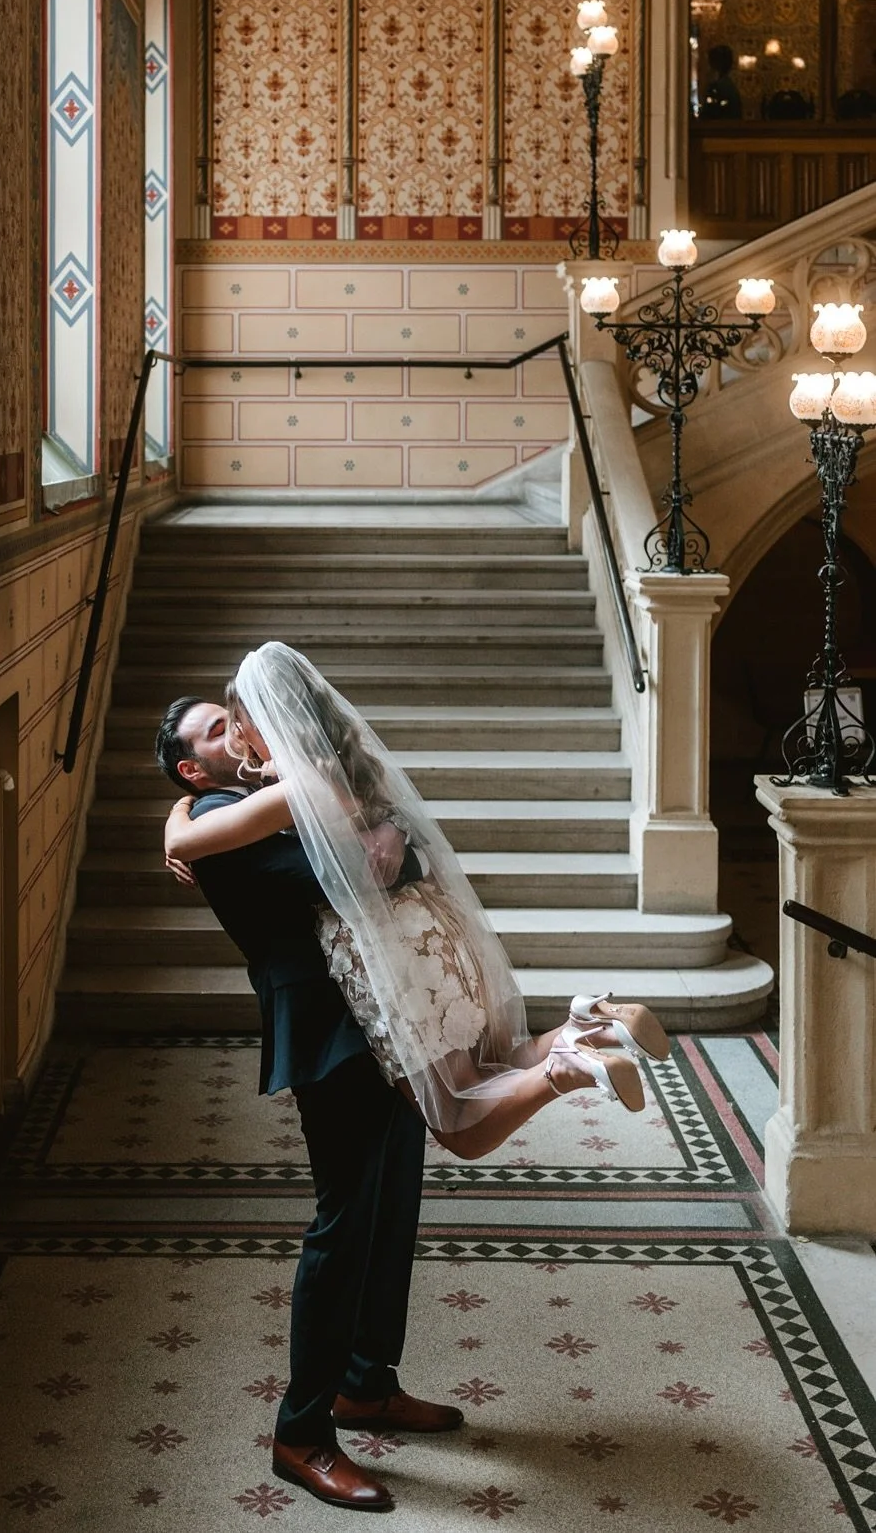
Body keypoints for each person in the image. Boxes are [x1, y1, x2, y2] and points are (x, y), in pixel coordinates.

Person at [162, 643, 669, 1156]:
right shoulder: (341, 763)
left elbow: (184, 843)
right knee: (497, 1062)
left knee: (458, 1122)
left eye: (240, 723)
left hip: (387, 950)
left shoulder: (296, 787)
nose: (240, 738)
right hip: (434, 925)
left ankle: (567, 1068)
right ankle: (589, 1022)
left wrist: (179, 810)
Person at [155, 693, 458, 1514]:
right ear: (193, 768)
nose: (238, 731)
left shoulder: (257, 805)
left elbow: (409, 858)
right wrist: (181, 819)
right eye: (218, 730)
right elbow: (354, 873)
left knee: (392, 1203)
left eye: (234, 716)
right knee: (343, 1221)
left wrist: (391, 838)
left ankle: (368, 1385)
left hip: (379, 1013)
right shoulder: (220, 823)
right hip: (327, 1032)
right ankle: (302, 1434)